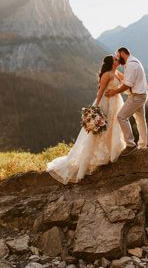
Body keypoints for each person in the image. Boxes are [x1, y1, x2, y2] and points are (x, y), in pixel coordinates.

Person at [46, 55, 126, 184]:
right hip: (106, 104)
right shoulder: (106, 74)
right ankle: (87, 163)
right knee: (101, 131)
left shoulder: (116, 72)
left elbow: (126, 80)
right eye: (116, 60)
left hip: (115, 103)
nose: (118, 61)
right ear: (111, 63)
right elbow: (100, 92)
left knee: (113, 127)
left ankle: (111, 154)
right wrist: (95, 108)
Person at [106, 47, 148, 156]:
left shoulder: (131, 65)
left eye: (118, 55)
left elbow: (128, 84)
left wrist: (114, 92)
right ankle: (143, 145)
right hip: (141, 95)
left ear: (122, 53)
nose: (117, 58)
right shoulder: (132, 62)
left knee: (121, 116)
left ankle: (130, 144)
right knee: (140, 120)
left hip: (137, 96)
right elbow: (127, 78)